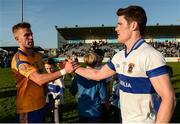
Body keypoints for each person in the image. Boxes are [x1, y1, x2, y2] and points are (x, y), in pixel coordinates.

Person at [74, 5, 176, 123]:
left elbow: (169, 99)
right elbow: (98, 74)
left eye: (120, 24)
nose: (116, 29)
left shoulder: (150, 55)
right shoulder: (119, 56)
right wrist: (73, 68)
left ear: (133, 25)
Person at [11, 22, 75, 123]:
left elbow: (45, 76)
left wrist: (48, 96)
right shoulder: (19, 59)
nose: (31, 37)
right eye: (26, 35)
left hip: (41, 104)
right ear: (17, 39)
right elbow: (38, 79)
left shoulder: (37, 55)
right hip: (28, 108)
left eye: (31, 34)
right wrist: (64, 71)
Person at [70, 52, 107, 123]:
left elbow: (72, 90)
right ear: (96, 62)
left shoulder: (78, 75)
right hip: (95, 110)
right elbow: (103, 96)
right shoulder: (99, 76)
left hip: (82, 109)